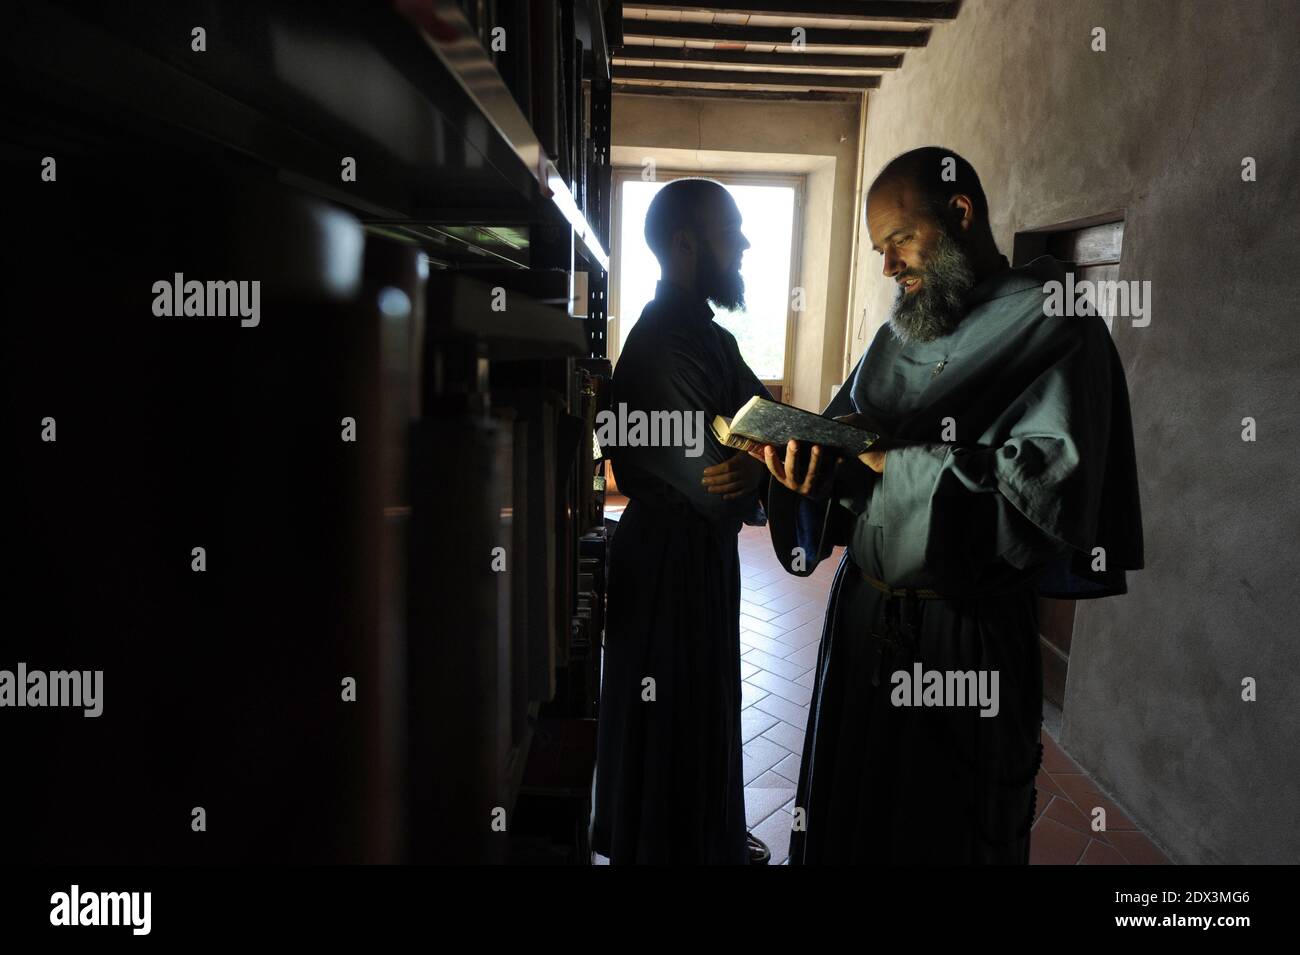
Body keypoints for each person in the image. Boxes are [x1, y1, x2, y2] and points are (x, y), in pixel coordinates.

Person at [753, 147, 1144, 864]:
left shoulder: (1060, 322)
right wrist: (808, 467)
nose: (888, 267)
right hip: (864, 615)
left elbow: (1047, 494)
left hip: (963, 632)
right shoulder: (903, 330)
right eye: (878, 250)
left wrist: (886, 458)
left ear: (959, 214)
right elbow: (851, 452)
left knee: (945, 827)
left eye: (898, 241)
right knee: (851, 813)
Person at [592, 178, 773, 864]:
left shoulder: (706, 334)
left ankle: (701, 835)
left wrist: (760, 462)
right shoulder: (666, 343)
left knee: (700, 705)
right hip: (669, 557)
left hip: (695, 556)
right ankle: (672, 845)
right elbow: (711, 482)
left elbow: (765, 431)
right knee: (671, 710)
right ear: (685, 244)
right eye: (733, 232)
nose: (746, 244)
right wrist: (753, 466)